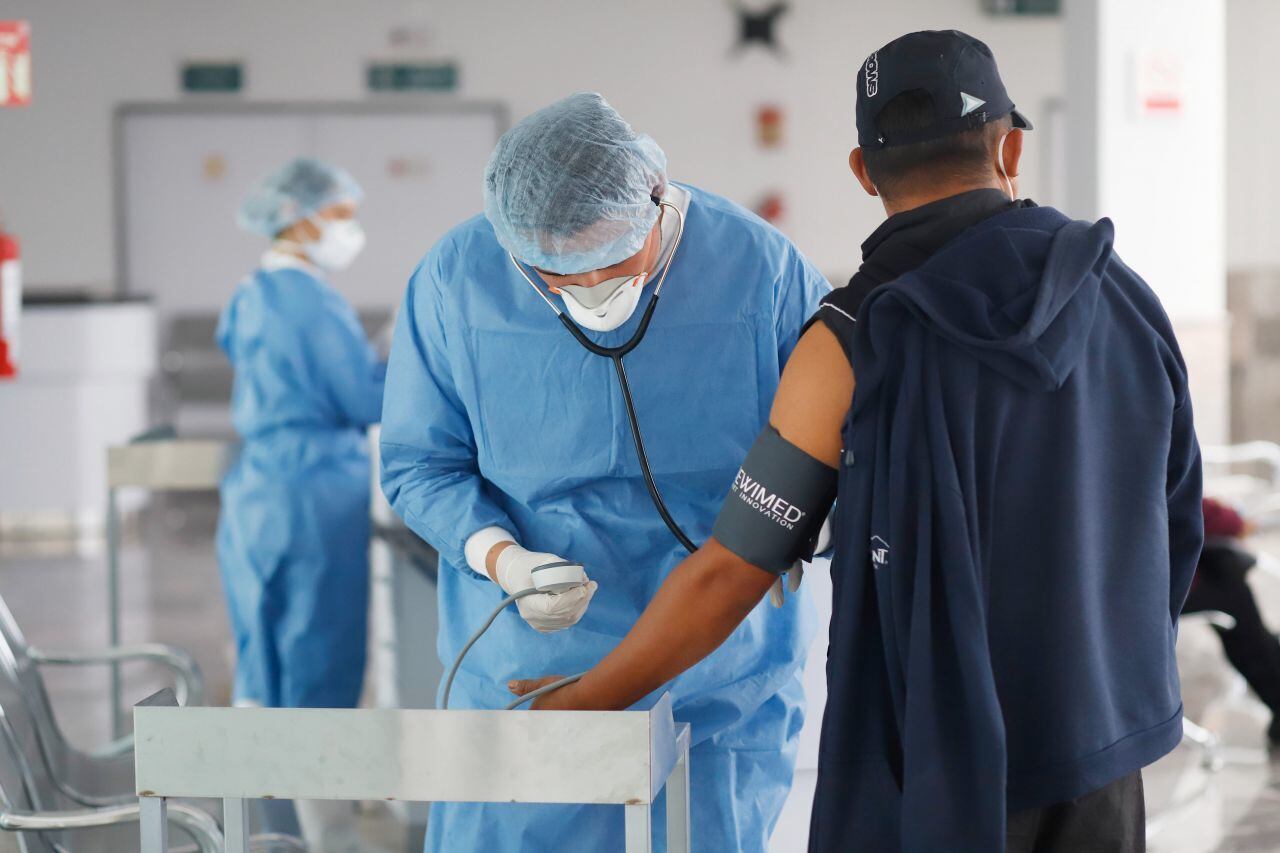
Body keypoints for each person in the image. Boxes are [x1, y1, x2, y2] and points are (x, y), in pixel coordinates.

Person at [512, 32, 1204, 853]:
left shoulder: (850, 340)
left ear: (862, 171)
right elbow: (1176, 517)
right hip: (1101, 746)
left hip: (936, 767)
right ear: (1011, 144)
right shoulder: (1123, 298)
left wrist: (582, 699)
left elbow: (733, 568)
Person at [380, 92, 829, 853]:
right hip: (535, 671)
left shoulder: (762, 270)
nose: (581, 291)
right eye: (550, 276)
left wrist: (807, 534)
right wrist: (501, 555)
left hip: (717, 672)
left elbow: (826, 454)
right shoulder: (458, 278)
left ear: (654, 201)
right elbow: (421, 463)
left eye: (609, 266)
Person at [217, 157, 386, 850]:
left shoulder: (253, 292)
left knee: (263, 658)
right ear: (302, 216)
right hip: (317, 493)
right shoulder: (311, 302)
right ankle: (326, 834)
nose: (348, 229)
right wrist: (400, 358)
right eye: (340, 214)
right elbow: (360, 400)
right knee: (317, 661)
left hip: (257, 491)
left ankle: (267, 829)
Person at [1184, 497, 1280, 743]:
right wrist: (1234, 520)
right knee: (1230, 586)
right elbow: (1184, 499)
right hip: (1137, 588)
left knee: (1224, 568)